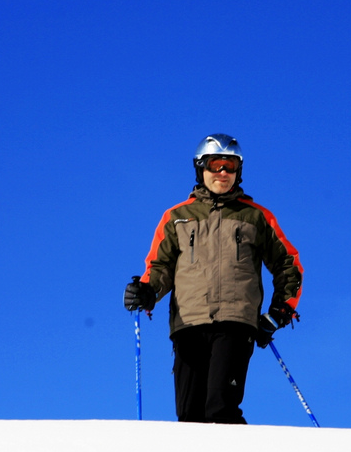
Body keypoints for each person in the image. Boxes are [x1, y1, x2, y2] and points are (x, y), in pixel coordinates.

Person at [123, 133, 303, 424]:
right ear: (200, 168)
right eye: (215, 164)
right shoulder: (177, 216)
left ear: (239, 171)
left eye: (230, 166)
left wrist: (280, 310)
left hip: (235, 320)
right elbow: (159, 267)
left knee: (220, 408)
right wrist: (146, 291)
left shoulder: (256, 217)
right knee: (189, 415)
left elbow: (288, 265)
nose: (223, 172)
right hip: (188, 323)